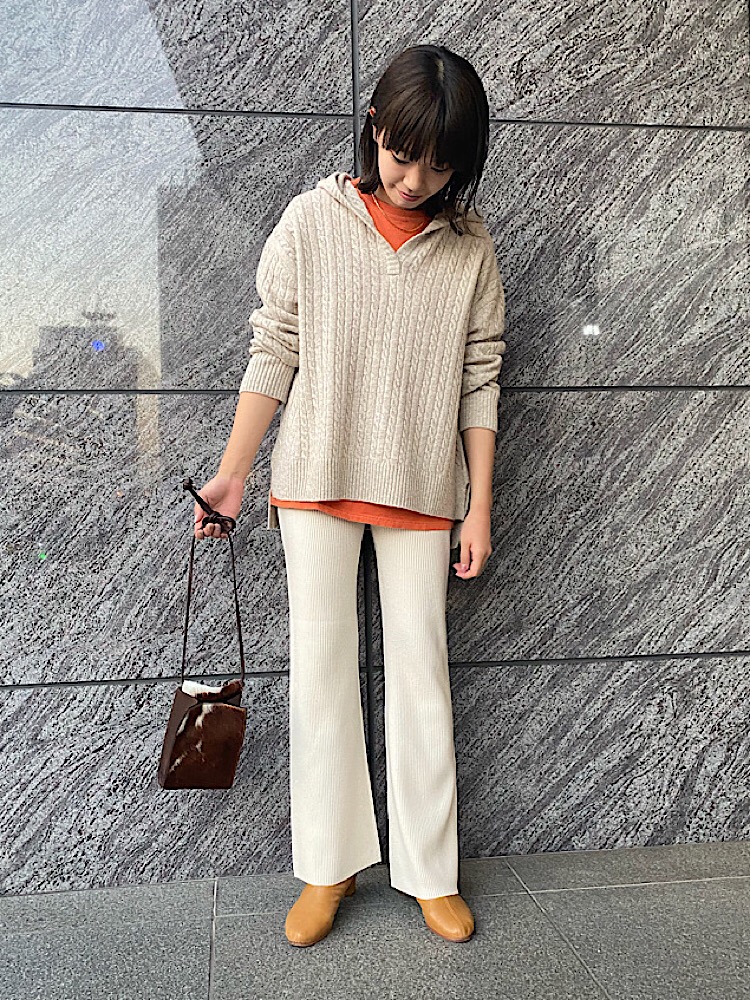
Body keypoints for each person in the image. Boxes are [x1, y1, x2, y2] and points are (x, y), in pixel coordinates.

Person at [192, 44, 507, 947]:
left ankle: (430, 872)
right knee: (322, 674)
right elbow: (274, 347)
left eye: (439, 166)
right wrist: (234, 472)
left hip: (422, 485)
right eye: (403, 156)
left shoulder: (471, 248)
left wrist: (479, 505)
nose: (415, 181)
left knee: (422, 677)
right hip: (316, 479)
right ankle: (327, 867)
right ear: (374, 126)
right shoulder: (311, 220)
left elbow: (480, 377)